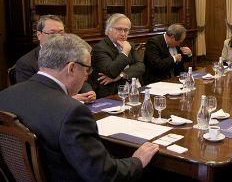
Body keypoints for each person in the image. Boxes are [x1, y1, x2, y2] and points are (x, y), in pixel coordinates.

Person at [0, 34, 159, 181]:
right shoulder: (71, 111)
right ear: (71, 68)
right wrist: (137, 160)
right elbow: (102, 174)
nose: (87, 76)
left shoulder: (4, 96)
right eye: (87, 69)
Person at [15, 14, 96, 104]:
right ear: (39, 35)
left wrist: (88, 93)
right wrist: (71, 98)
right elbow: (31, 96)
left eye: (61, 33)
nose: (58, 37)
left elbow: (80, 76)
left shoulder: (71, 54)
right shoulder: (26, 63)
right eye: (52, 33)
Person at [89, 13, 145, 98]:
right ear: (109, 30)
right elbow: (111, 72)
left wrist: (121, 75)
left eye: (126, 30)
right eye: (119, 29)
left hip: (135, 88)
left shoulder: (130, 45)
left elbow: (141, 66)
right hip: (112, 92)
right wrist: (125, 52)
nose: (123, 33)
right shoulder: (100, 48)